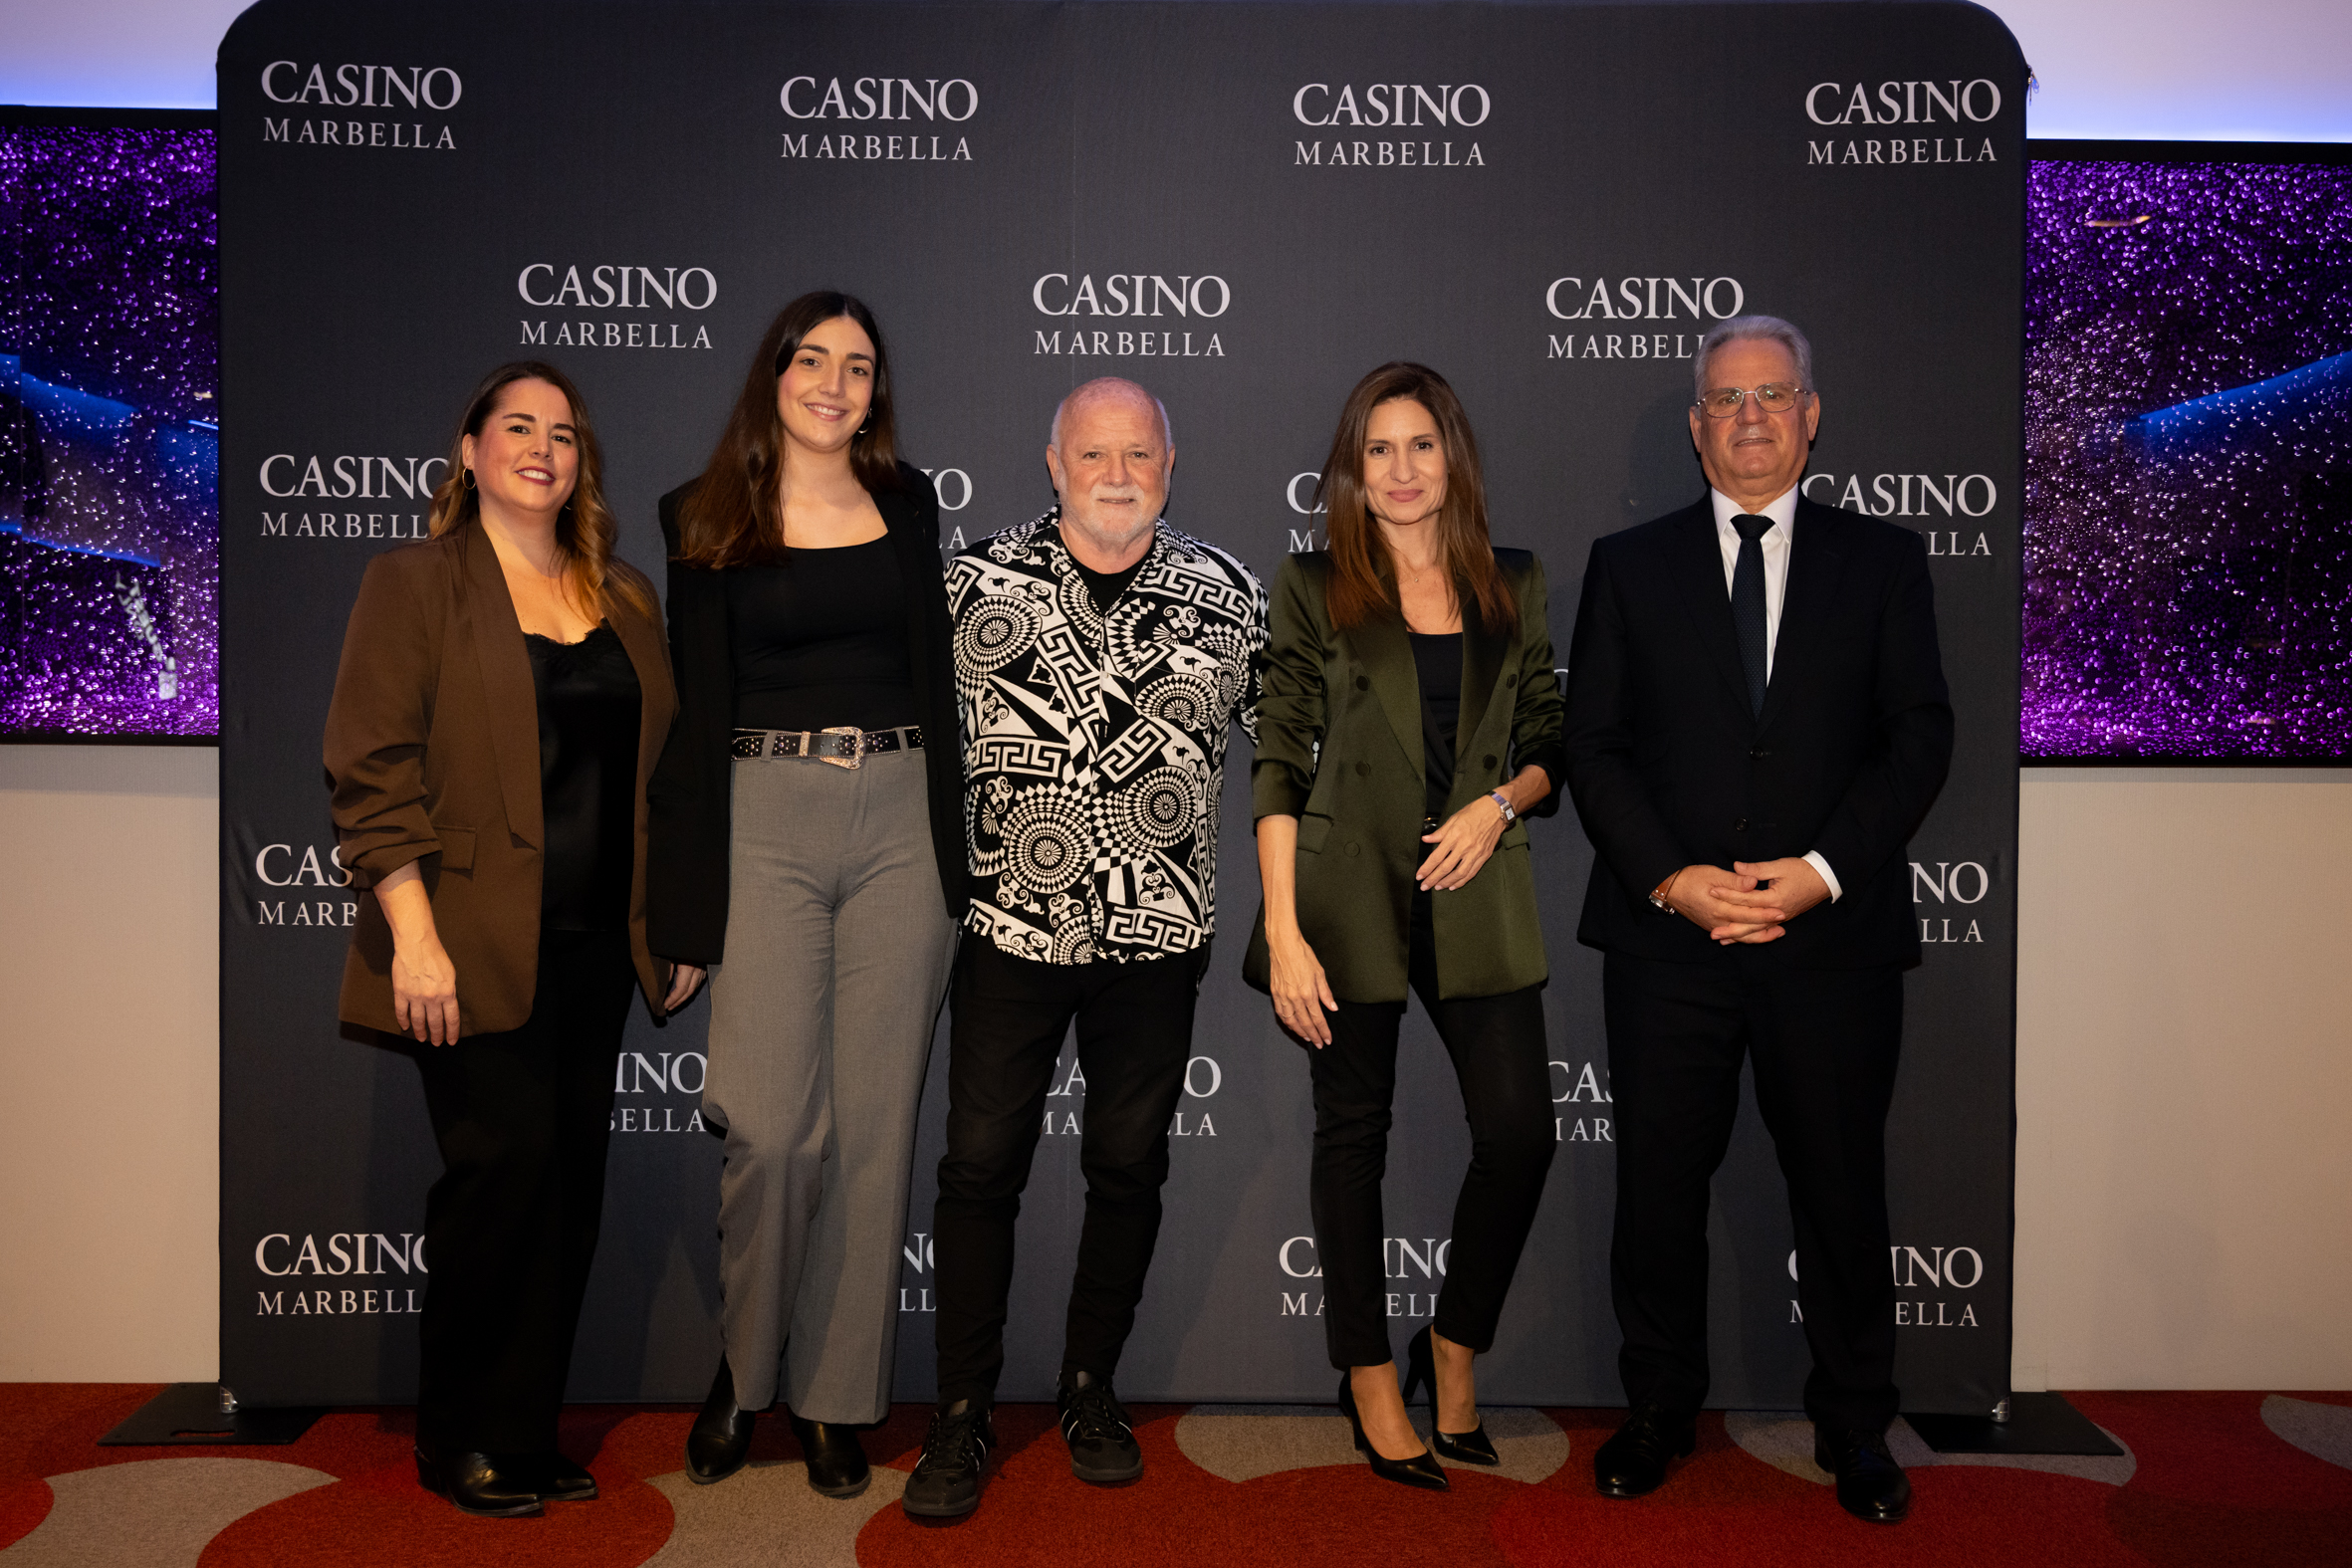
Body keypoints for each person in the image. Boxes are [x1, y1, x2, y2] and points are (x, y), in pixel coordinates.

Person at [1560, 316, 1953, 1524]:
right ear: (1694, 427)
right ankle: (1658, 1410)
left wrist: (1820, 870)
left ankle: (1855, 1425)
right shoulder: (1627, 565)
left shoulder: (1882, 562)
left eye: (1770, 395)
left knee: (1839, 1188)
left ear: (1809, 415)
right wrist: (1674, 880)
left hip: (1828, 940)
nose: (1747, 417)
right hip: (1667, 939)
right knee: (1659, 1191)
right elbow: (1595, 747)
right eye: (1724, 400)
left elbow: (1918, 735)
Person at [900, 376, 1269, 1520]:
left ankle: (1086, 1386)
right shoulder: (968, 584)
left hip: (1158, 943)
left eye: (1140, 454)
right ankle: (960, 1411)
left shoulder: (1229, 593)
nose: (1117, 473)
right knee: (977, 1171)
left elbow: (1307, 752)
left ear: (1171, 464)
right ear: (1052, 464)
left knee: (1127, 1168)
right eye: (1093, 454)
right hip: (1009, 934)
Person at [324, 360, 687, 1518]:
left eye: (564, 434)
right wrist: (415, 941)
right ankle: (455, 1438)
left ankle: (525, 1433)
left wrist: (671, 919)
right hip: (465, 946)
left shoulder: (624, 592)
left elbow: (663, 777)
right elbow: (370, 769)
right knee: (500, 1180)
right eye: (517, 427)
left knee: (570, 1190)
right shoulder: (415, 580)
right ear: (469, 450)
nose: (542, 447)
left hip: (595, 950)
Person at [647, 293, 965, 1499]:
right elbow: (689, 718)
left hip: (901, 819)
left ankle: (836, 1400)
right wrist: (679, 910)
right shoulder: (702, 515)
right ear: (772, 375)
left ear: (877, 390)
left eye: (860, 366)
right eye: (813, 360)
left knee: (876, 1134)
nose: (835, 383)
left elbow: (936, 679)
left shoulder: (909, 502)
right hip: (764, 817)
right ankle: (743, 1372)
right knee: (774, 1131)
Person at [1246, 362, 1565, 1491]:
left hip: (1479, 883)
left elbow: (1545, 740)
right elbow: (1277, 755)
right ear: (1351, 469)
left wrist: (1496, 806)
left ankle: (1454, 1344)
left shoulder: (1512, 581)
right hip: (1346, 899)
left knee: (1522, 1133)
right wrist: (1283, 930)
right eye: (1376, 450)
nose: (1398, 470)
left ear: (1453, 458)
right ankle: (1368, 1375)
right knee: (1352, 1139)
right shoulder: (1310, 582)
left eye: (1419, 445)